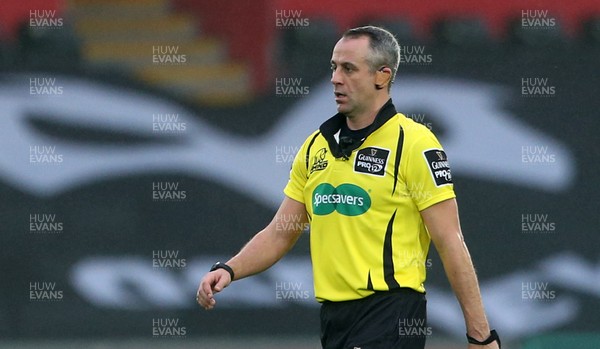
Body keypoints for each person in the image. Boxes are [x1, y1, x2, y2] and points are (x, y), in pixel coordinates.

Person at [197, 25, 500, 349]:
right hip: (335, 320)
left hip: (391, 314)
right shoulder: (316, 146)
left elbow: (450, 240)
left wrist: (480, 336)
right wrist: (229, 269)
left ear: (382, 76)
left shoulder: (413, 144)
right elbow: (280, 232)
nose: (335, 78)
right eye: (334, 67)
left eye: (349, 69)